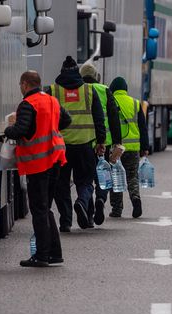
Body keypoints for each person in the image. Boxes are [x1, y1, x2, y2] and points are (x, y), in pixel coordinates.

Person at [4, 70, 71, 268]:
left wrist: (8, 129)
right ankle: (54, 253)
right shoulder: (51, 101)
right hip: (56, 159)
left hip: (38, 162)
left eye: (20, 85)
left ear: (25, 84)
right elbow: (66, 120)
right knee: (45, 208)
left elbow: (21, 130)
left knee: (39, 209)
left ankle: (42, 255)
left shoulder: (28, 104)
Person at [49, 56, 107, 231]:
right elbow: (99, 118)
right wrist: (101, 141)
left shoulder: (53, 91)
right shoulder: (89, 91)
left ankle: (66, 221)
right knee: (86, 182)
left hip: (61, 148)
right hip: (85, 145)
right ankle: (81, 202)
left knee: (61, 185)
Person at [80, 63, 123, 226]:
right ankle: (100, 198)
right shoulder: (105, 90)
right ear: (96, 75)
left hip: (83, 141)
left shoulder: (80, 90)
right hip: (104, 142)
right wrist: (117, 142)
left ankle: (89, 214)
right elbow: (113, 118)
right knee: (103, 177)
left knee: (86, 179)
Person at [108, 77, 150, 219]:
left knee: (116, 177)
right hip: (133, 148)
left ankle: (116, 209)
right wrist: (145, 147)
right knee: (132, 176)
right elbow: (143, 128)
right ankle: (135, 199)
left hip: (116, 148)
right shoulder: (135, 103)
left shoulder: (110, 101)